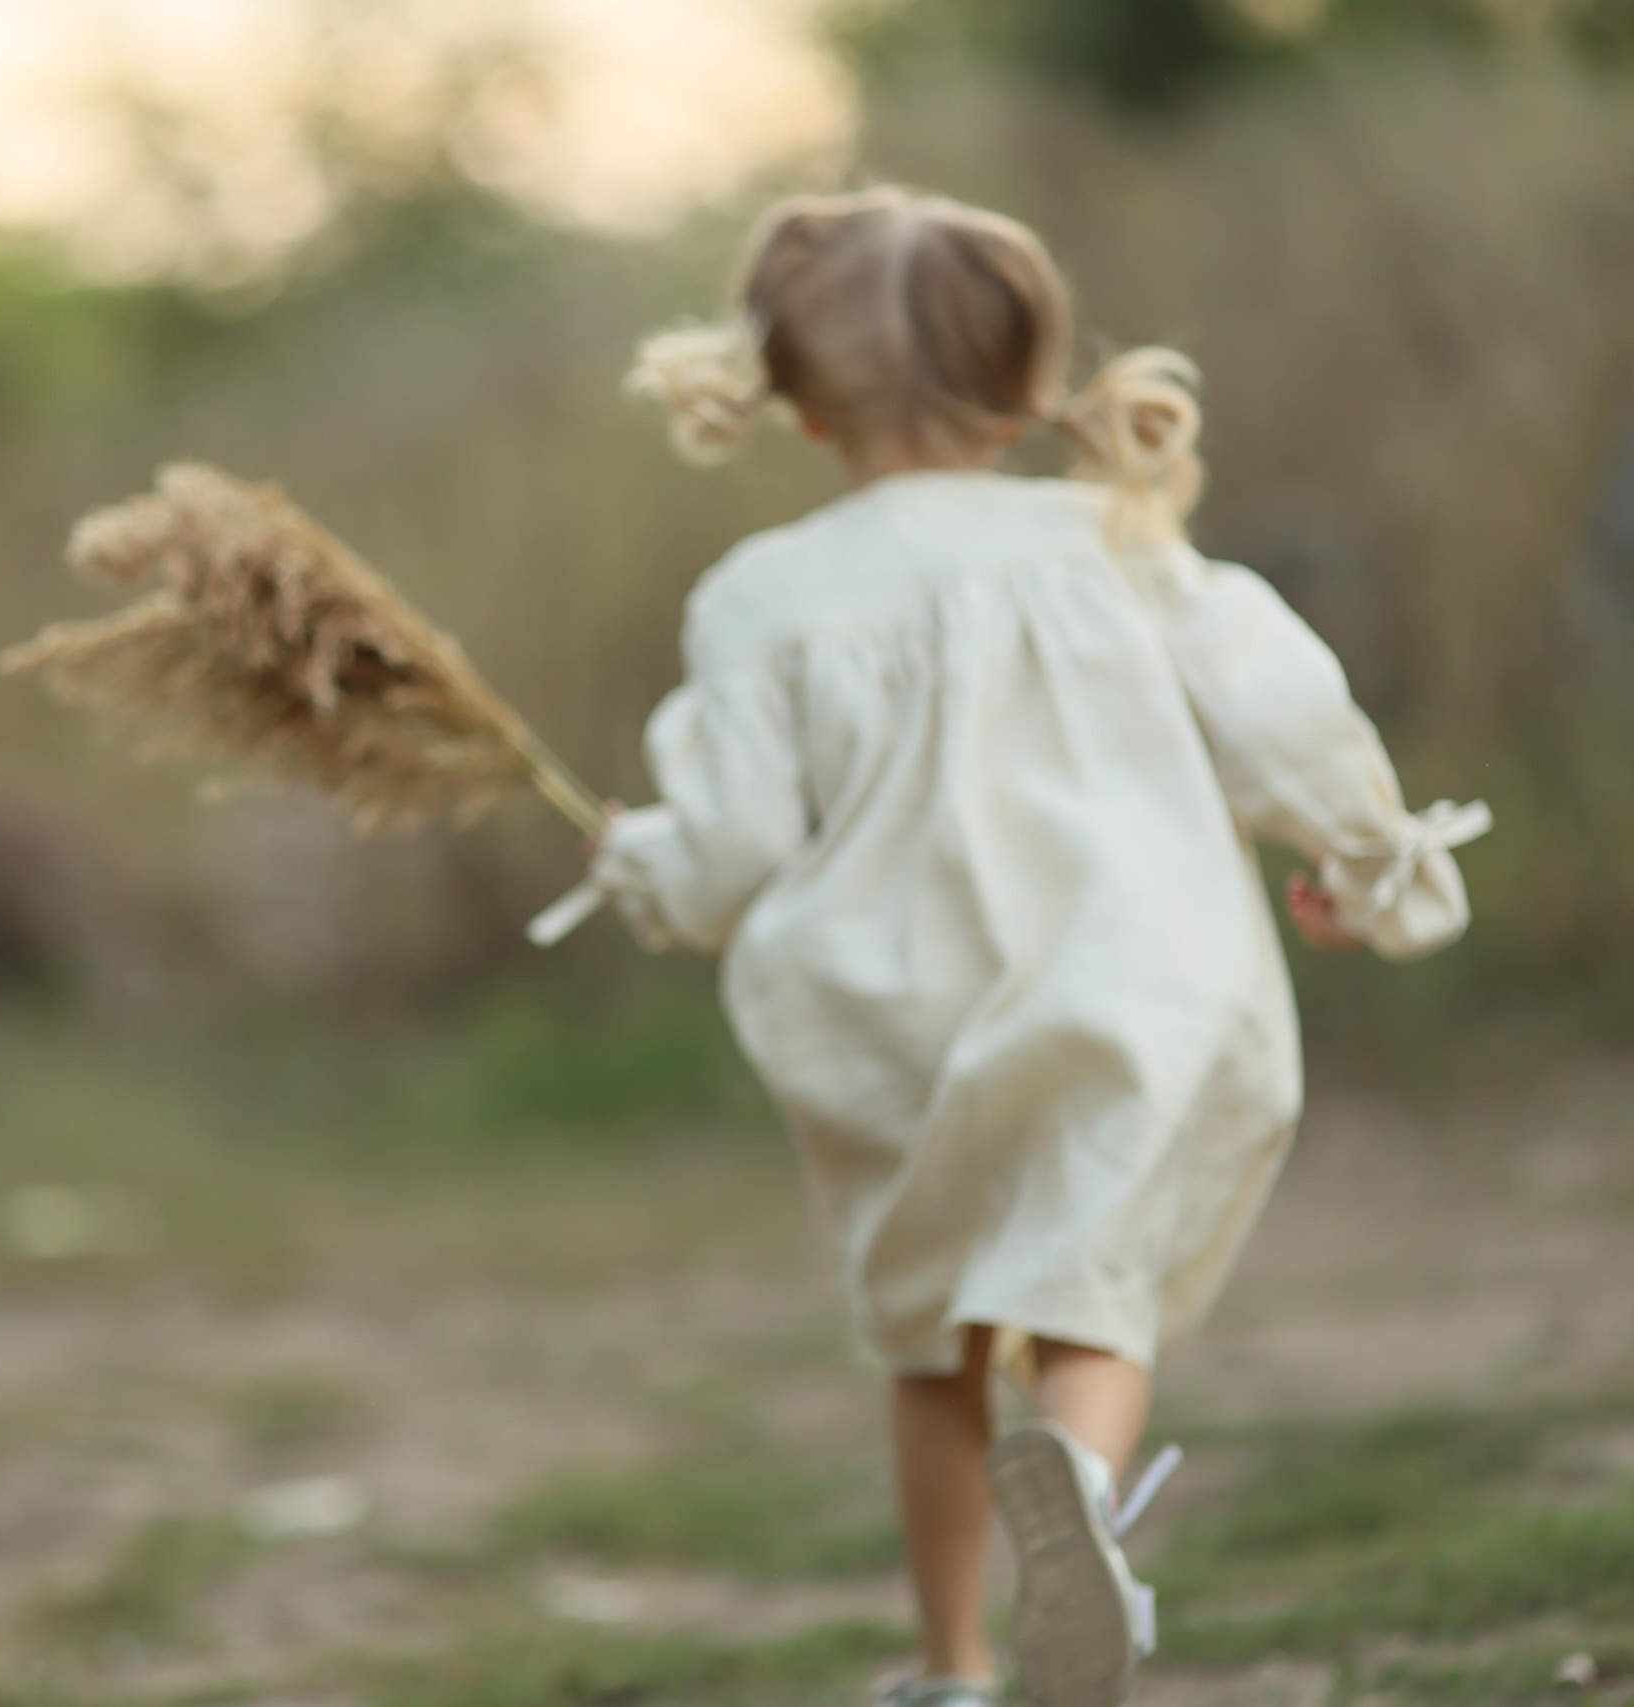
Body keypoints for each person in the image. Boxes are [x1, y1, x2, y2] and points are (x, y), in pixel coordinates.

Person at [570, 186, 1489, 1707]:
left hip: (895, 1019)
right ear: (1024, 384)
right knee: (1092, 1283)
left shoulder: (761, 598)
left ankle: (951, 1669)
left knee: (933, 1340)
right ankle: (1082, 1498)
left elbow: (730, 850)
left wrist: (640, 864)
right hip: (1129, 976)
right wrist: (1367, 860)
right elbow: (1280, 712)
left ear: (801, 402)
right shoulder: (1118, 545)